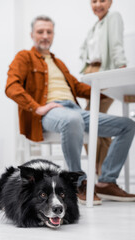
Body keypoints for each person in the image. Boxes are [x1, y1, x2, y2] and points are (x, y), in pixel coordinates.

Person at [5, 15, 135, 205]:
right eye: (40, 31)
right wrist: (38, 107)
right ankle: (77, 183)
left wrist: (113, 86)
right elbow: (11, 86)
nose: (45, 35)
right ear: (32, 34)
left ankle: (106, 181)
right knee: (73, 120)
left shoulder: (59, 64)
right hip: (51, 112)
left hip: (75, 110)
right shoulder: (24, 57)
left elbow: (81, 88)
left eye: (49, 32)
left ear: (53, 35)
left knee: (127, 125)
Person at [80, 0, 127, 176]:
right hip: (91, 74)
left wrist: (121, 67)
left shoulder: (113, 17)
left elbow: (116, 44)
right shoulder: (95, 26)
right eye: (94, 1)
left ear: (110, 2)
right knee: (99, 126)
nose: (98, 4)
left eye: (102, 0)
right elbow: (86, 53)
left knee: (89, 122)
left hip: (104, 72)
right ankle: (102, 173)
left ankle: (100, 173)